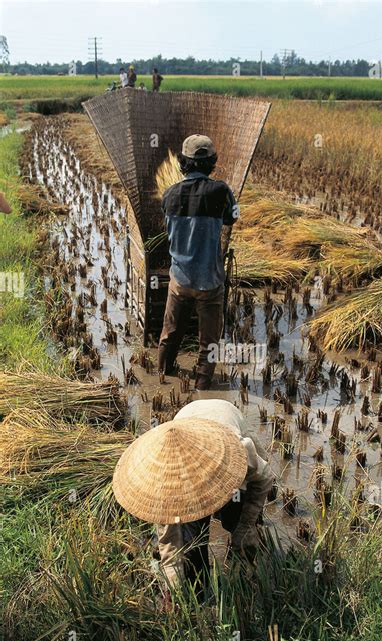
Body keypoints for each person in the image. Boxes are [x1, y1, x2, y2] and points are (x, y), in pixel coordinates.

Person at [112, 399, 273, 589]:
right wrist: (173, 588)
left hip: (224, 415)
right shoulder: (164, 488)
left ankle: (243, 567)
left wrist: (246, 524)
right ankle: (199, 587)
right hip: (187, 417)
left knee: (235, 515)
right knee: (192, 541)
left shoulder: (236, 452)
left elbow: (264, 478)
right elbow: (170, 541)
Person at [158, 134, 239, 390]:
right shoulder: (221, 191)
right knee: (209, 342)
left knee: (170, 332)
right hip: (210, 282)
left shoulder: (169, 194)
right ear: (211, 162)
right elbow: (232, 218)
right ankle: (203, 386)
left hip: (180, 279)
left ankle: (163, 374)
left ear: (183, 162)